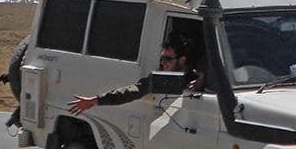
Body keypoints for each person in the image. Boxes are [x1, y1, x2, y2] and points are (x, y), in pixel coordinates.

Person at [68, 38, 203, 115]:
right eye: (162, 58)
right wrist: (95, 101)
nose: (163, 63)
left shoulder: (197, 77)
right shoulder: (159, 76)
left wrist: (202, 83)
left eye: (168, 59)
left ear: (182, 60)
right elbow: (133, 91)